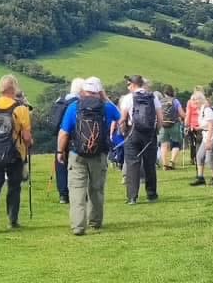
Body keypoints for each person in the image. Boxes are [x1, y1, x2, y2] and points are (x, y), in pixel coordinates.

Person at [57, 77, 120, 235]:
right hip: (99, 155)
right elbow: (121, 118)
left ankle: (78, 226)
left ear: (83, 91)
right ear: (100, 92)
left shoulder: (74, 107)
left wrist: (60, 152)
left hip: (76, 153)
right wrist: (106, 99)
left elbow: (64, 132)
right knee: (96, 189)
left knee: (77, 189)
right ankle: (95, 221)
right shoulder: (106, 107)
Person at [0, 75, 33, 233]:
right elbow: (26, 136)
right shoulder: (21, 108)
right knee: (14, 186)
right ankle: (12, 220)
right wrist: (30, 143)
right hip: (14, 154)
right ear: (13, 89)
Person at [119, 75, 163, 205]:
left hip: (133, 132)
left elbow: (123, 118)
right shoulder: (152, 97)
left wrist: (123, 131)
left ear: (133, 85)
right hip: (149, 133)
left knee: (132, 163)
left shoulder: (128, 98)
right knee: (150, 164)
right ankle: (151, 194)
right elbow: (160, 118)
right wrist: (156, 130)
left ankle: (132, 197)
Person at [51, 78, 84, 204]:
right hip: (74, 137)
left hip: (59, 136)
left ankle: (63, 195)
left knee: (60, 164)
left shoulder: (60, 101)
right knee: (76, 166)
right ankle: (76, 193)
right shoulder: (78, 103)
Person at [189, 91, 213, 186]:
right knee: (199, 156)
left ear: (200, 100)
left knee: (209, 158)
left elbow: (211, 125)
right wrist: (196, 128)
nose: (193, 102)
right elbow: (205, 125)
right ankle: (200, 178)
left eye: (195, 100)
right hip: (207, 136)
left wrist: (209, 140)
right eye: (192, 101)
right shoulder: (201, 111)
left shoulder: (207, 110)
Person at [157, 85, 186, 170]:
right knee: (176, 143)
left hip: (163, 125)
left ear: (164, 93)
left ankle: (165, 164)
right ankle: (172, 162)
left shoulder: (160, 101)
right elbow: (181, 113)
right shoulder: (175, 101)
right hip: (174, 124)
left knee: (163, 145)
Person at [185, 86, 205, 165]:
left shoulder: (190, 102)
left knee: (192, 142)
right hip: (201, 124)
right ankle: (199, 158)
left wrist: (186, 124)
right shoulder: (203, 101)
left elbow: (188, 114)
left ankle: (192, 158)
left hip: (192, 125)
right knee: (199, 142)